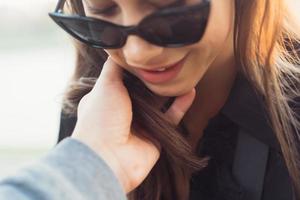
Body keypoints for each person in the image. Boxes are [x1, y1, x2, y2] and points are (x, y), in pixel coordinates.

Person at [0, 0, 299, 199]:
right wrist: (98, 163)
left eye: (167, 8)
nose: (136, 53)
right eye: (103, 9)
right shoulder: (93, 109)